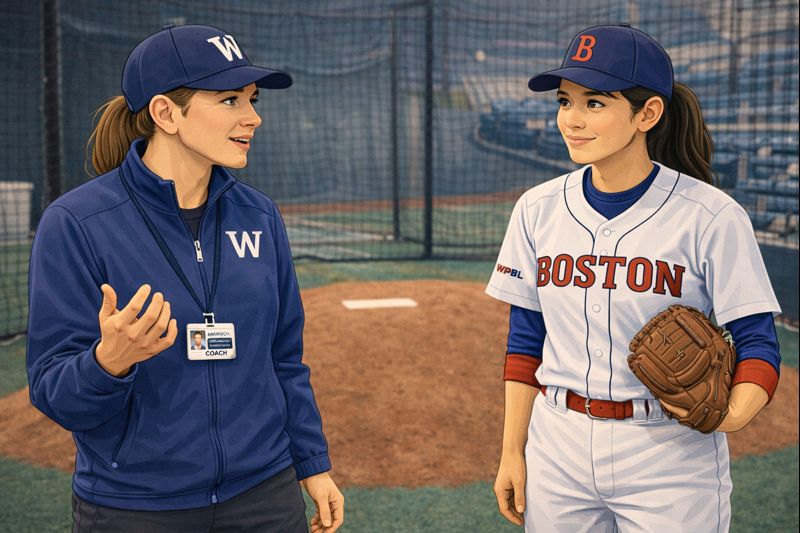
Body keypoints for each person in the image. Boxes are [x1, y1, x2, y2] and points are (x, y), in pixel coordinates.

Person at [26, 24, 343, 533]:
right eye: (230, 100)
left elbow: (284, 360)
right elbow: (51, 390)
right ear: (165, 113)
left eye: (253, 99)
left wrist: (312, 463)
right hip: (135, 506)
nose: (254, 117)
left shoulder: (259, 216)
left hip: (264, 493)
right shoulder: (77, 224)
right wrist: (109, 362)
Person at [486, 24, 782, 532]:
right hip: (558, 443)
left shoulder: (710, 216)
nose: (571, 120)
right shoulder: (536, 209)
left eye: (595, 103)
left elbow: (759, 343)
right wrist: (513, 451)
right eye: (564, 101)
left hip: (669, 452)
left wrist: (727, 417)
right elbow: (524, 341)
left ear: (647, 114)